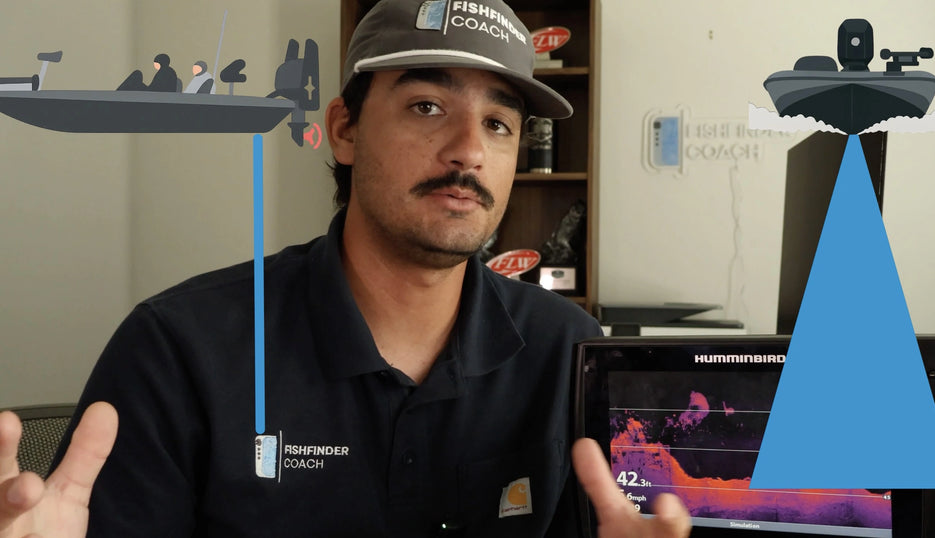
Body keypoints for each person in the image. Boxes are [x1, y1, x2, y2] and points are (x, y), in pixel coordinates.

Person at [0, 0, 691, 536]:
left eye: (499, 124)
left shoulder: (569, 351)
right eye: (428, 106)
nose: (468, 151)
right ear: (345, 129)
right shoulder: (178, 350)